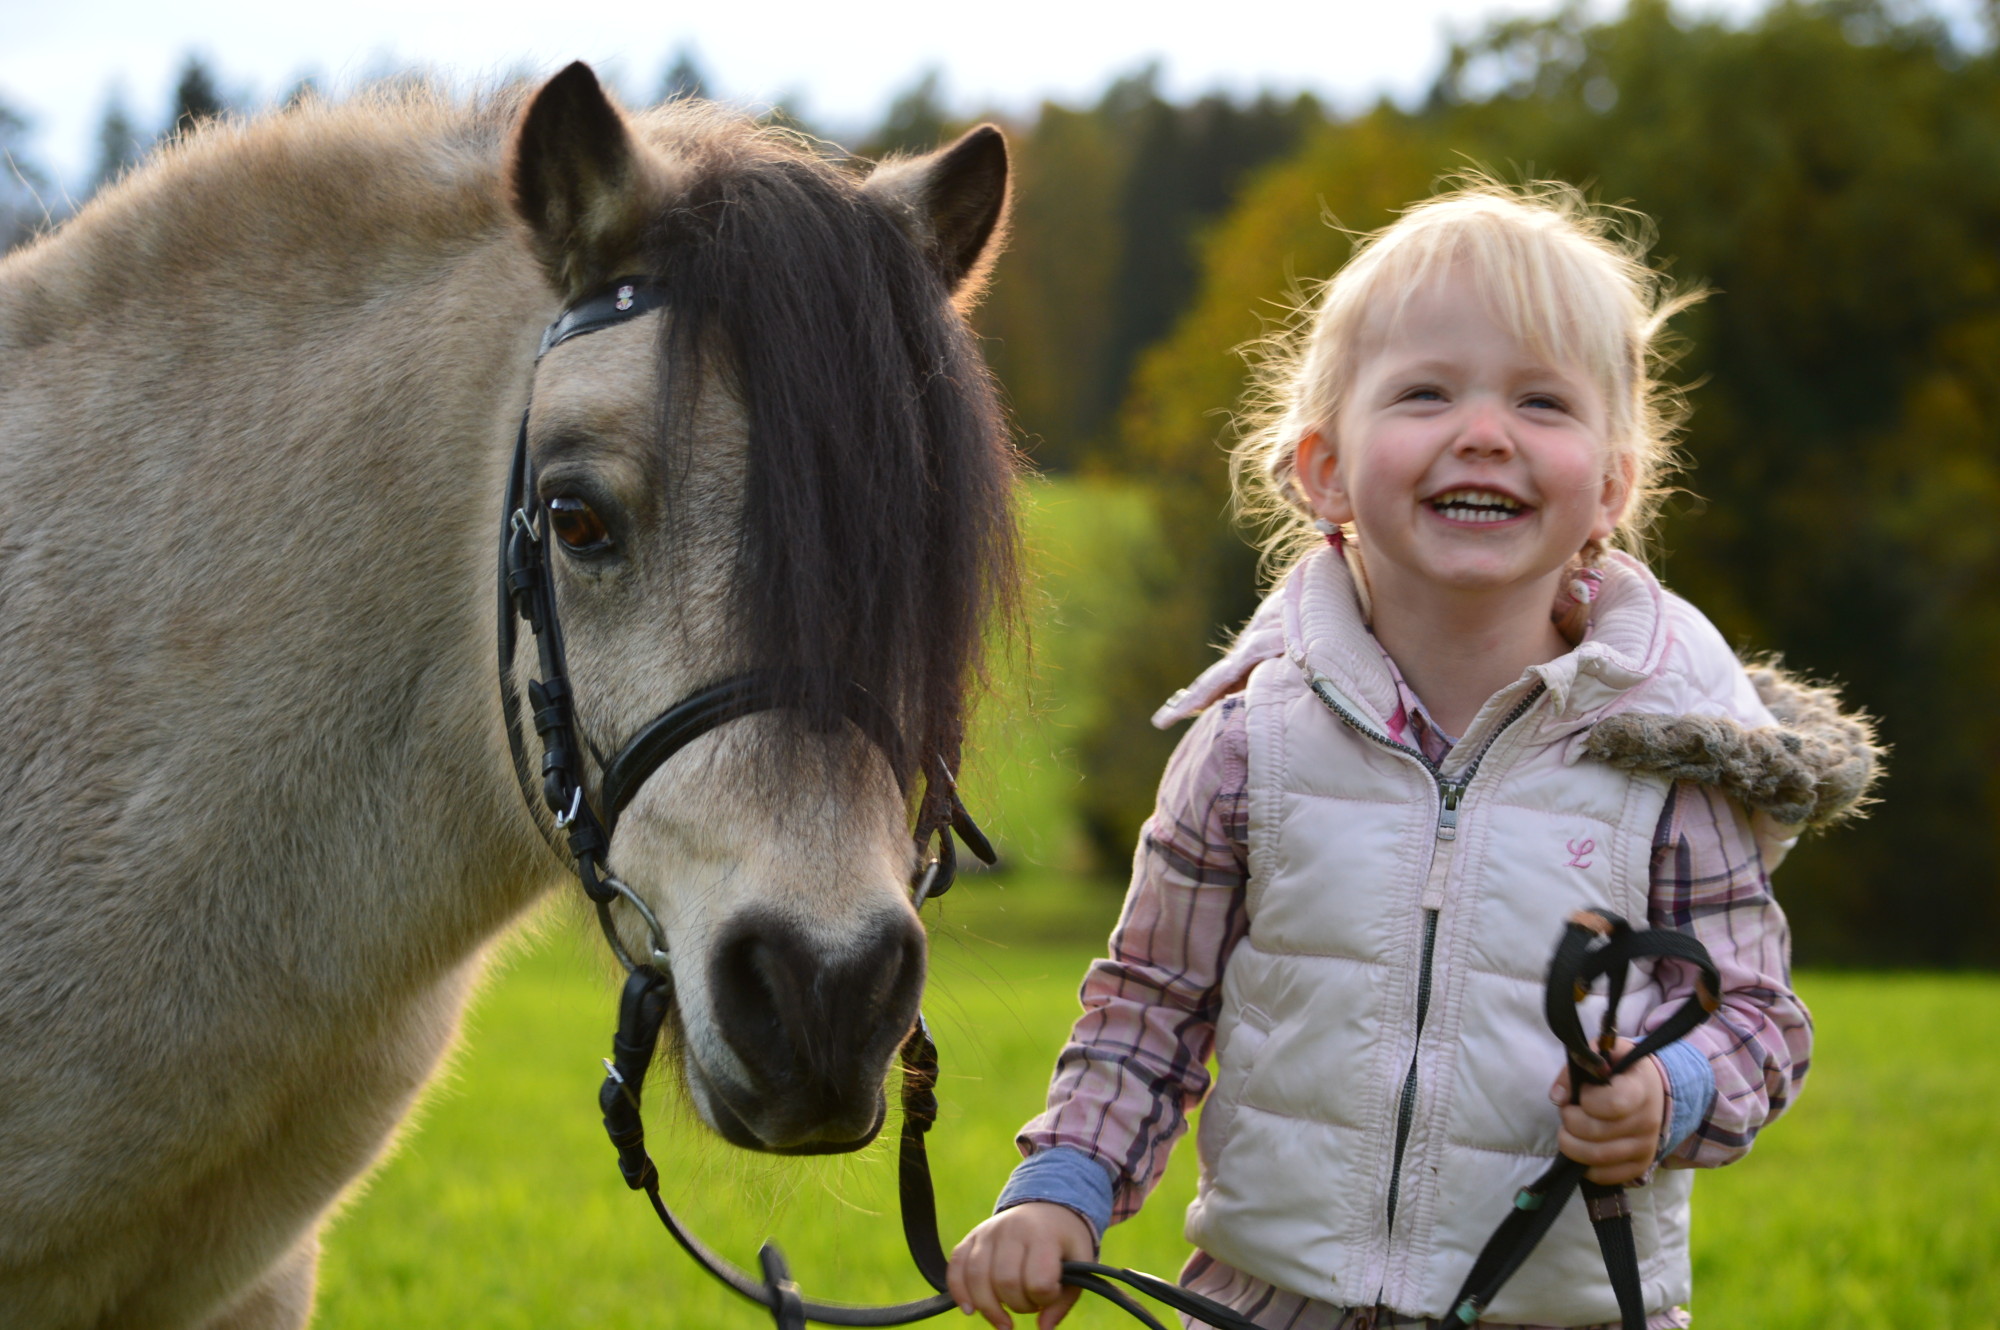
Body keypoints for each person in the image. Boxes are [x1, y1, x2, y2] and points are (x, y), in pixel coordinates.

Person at [946, 181, 1880, 1330]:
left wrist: (1666, 1092)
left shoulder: (1670, 757)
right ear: (1323, 469)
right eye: (1425, 392)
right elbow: (1147, 1008)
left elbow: (1755, 1018)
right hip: (1267, 1306)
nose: (1481, 431)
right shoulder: (1249, 747)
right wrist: (1062, 1191)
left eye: (1540, 402)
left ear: (1611, 484)